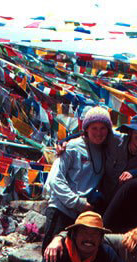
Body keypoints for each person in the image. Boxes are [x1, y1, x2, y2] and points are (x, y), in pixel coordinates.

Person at [42, 106, 115, 251]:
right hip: (61, 208)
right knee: (53, 253)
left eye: (103, 128)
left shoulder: (106, 148)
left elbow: (129, 136)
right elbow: (55, 179)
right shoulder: (71, 147)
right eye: (94, 128)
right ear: (86, 129)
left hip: (82, 213)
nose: (99, 133)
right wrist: (77, 202)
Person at [101, 114, 137, 204]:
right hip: (102, 197)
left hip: (127, 204)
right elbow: (93, 134)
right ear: (130, 132)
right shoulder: (113, 140)